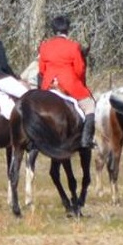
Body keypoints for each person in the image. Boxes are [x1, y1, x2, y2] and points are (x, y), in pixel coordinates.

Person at [37, 14, 95, 147]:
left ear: (53, 30)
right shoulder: (74, 46)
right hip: (69, 84)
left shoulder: (44, 46)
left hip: (49, 84)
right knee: (90, 106)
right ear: (67, 29)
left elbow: (41, 69)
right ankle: (86, 139)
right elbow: (80, 69)